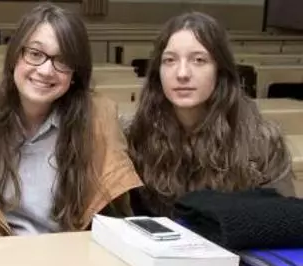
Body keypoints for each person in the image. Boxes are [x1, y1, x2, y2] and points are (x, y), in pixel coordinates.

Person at [0, 4, 142, 238]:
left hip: (71, 253)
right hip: (1, 251)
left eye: (63, 60)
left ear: (75, 73)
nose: (45, 70)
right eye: (35, 54)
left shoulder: (98, 119)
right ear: (15, 56)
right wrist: (5, 250)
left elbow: (112, 218)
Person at [125, 12, 294, 217]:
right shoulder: (135, 136)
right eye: (170, 60)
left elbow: (281, 220)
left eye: (199, 60)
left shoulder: (262, 142)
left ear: (220, 70)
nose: (182, 73)